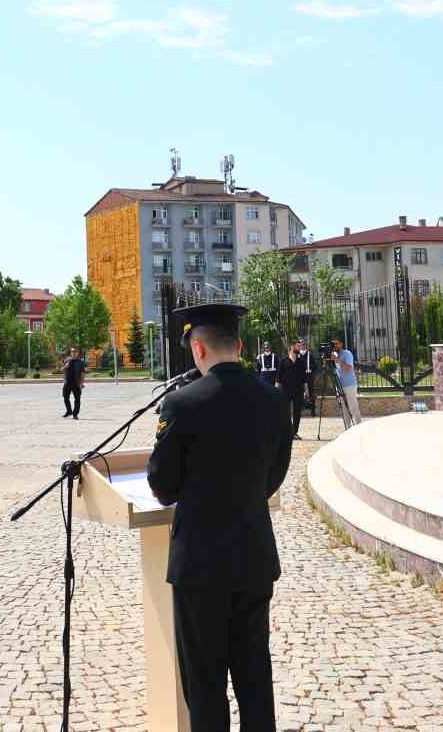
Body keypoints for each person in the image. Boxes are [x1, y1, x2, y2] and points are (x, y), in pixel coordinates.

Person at [147, 303, 293, 732]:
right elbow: (274, 476)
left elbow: (162, 484)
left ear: (198, 349)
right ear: (241, 346)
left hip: (200, 566)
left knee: (205, 681)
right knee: (254, 677)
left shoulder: (181, 403)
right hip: (253, 557)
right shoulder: (273, 399)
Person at [278, 343, 310, 439]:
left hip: (298, 391)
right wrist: (276, 391)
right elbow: (278, 378)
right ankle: (287, 432)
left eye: (298, 346)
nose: (298, 347)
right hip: (285, 391)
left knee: (297, 412)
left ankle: (294, 432)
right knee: (285, 412)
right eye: (296, 346)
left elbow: (304, 378)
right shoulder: (283, 361)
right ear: (290, 349)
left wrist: (306, 390)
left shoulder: (301, 361)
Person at [331, 338, 360, 430]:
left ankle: (359, 426)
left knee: (353, 406)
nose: (335, 346)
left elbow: (348, 367)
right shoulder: (334, 355)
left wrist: (337, 359)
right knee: (343, 408)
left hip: (349, 384)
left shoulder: (347, 353)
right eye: (333, 344)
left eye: (337, 344)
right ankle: (348, 428)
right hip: (340, 385)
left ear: (341, 344)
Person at [60, 348, 86, 419]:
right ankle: (69, 411)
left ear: (78, 353)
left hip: (76, 383)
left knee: (77, 399)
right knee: (65, 397)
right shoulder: (67, 360)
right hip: (67, 382)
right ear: (71, 353)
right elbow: (62, 370)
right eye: (72, 351)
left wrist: (82, 383)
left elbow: (83, 373)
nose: (73, 353)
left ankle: (75, 414)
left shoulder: (80, 362)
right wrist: (65, 366)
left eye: (75, 351)